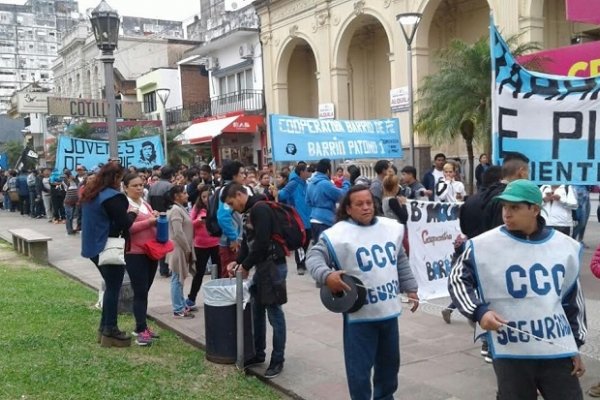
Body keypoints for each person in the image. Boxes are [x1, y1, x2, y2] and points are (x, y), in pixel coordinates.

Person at [448, 179, 587, 400]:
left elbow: (572, 299)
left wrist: (575, 345)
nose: (507, 213)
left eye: (515, 207)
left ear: (535, 209)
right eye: (504, 206)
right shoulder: (483, 245)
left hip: (555, 348)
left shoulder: (564, 247)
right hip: (511, 349)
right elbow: (457, 279)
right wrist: (479, 312)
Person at [306, 185, 419, 400]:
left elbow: (400, 258)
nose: (366, 207)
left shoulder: (390, 227)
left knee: (389, 365)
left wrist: (411, 287)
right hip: (359, 316)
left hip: (388, 311)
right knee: (359, 370)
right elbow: (313, 257)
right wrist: (327, 276)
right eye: (359, 204)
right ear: (348, 209)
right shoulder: (338, 235)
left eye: (369, 203)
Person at [222, 183, 288, 379]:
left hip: (273, 266)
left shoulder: (260, 209)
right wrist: (238, 261)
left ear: (240, 194)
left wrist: (246, 265)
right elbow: (247, 243)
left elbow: (261, 242)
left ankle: (278, 360)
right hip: (261, 267)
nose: (233, 207)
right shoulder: (249, 211)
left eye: (232, 202)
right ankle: (259, 354)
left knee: (274, 314)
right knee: (256, 312)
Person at [81, 162, 135, 347]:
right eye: (120, 178)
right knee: (113, 287)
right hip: (107, 246)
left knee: (111, 287)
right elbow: (123, 222)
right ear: (115, 178)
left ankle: (104, 328)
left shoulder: (92, 194)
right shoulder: (112, 197)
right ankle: (110, 329)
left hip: (93, 246)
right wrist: (133, 215)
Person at [123, 173, 161, 345]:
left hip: (151, 251)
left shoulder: (144, 202)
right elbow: (127, 228)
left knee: (145, 290)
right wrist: (149, 222)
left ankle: (142, 326)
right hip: (135, 253)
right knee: (139, 291)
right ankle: (140, 329)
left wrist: (155, 216)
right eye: (134, 185)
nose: (139, 188)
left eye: (141, 185)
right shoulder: (125, 205)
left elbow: (151, 220)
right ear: (125, 187)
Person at [186, 184, 220, 310]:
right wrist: (198, 221)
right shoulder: (197, 208)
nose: (206, 199)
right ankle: (191, 298)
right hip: (200, 245)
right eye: (204, 197)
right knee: (199, 273)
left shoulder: (216, 207)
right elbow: (189, 223)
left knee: (218, 271)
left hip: (216, 243)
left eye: (209, 196)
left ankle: (217, 297)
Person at [166, 185, 196, 319]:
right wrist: (187, 248)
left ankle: (181, 304)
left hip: (182, 247)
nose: (187, 195)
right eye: (184, 193)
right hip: (178, 248)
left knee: (179, 278)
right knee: (177, 278)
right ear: (176, 196)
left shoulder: (180, 209)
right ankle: (178, 308)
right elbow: (178, 232)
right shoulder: (176, 210)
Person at [278, 162, 312, 275]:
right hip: (298, 217)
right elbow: (282, 195)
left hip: (308, 216)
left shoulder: (306, 183)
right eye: (307, 170)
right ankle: (300, 265)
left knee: (307, 241)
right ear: (301, 172)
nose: (309, 172)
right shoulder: (293, 183)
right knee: (300, 242)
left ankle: (303, 261)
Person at [306, 158, 350, 242]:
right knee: (327, 248)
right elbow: (343, 195)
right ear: (327, 171)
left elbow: (307, 201)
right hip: (325, 220)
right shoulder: (325, 184)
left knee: (318, 247)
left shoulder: (310, 183)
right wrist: (346, 181)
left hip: (313, 219)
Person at [148, 165, 174, 277]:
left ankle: (162, 268)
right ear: (171, 175)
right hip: (167, 216)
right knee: (167, 242)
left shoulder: (153, 186)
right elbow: (172, 202)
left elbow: (148, 202)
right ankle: (166, 267)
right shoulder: (170, 186)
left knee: (159, 241)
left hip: (155, 216)